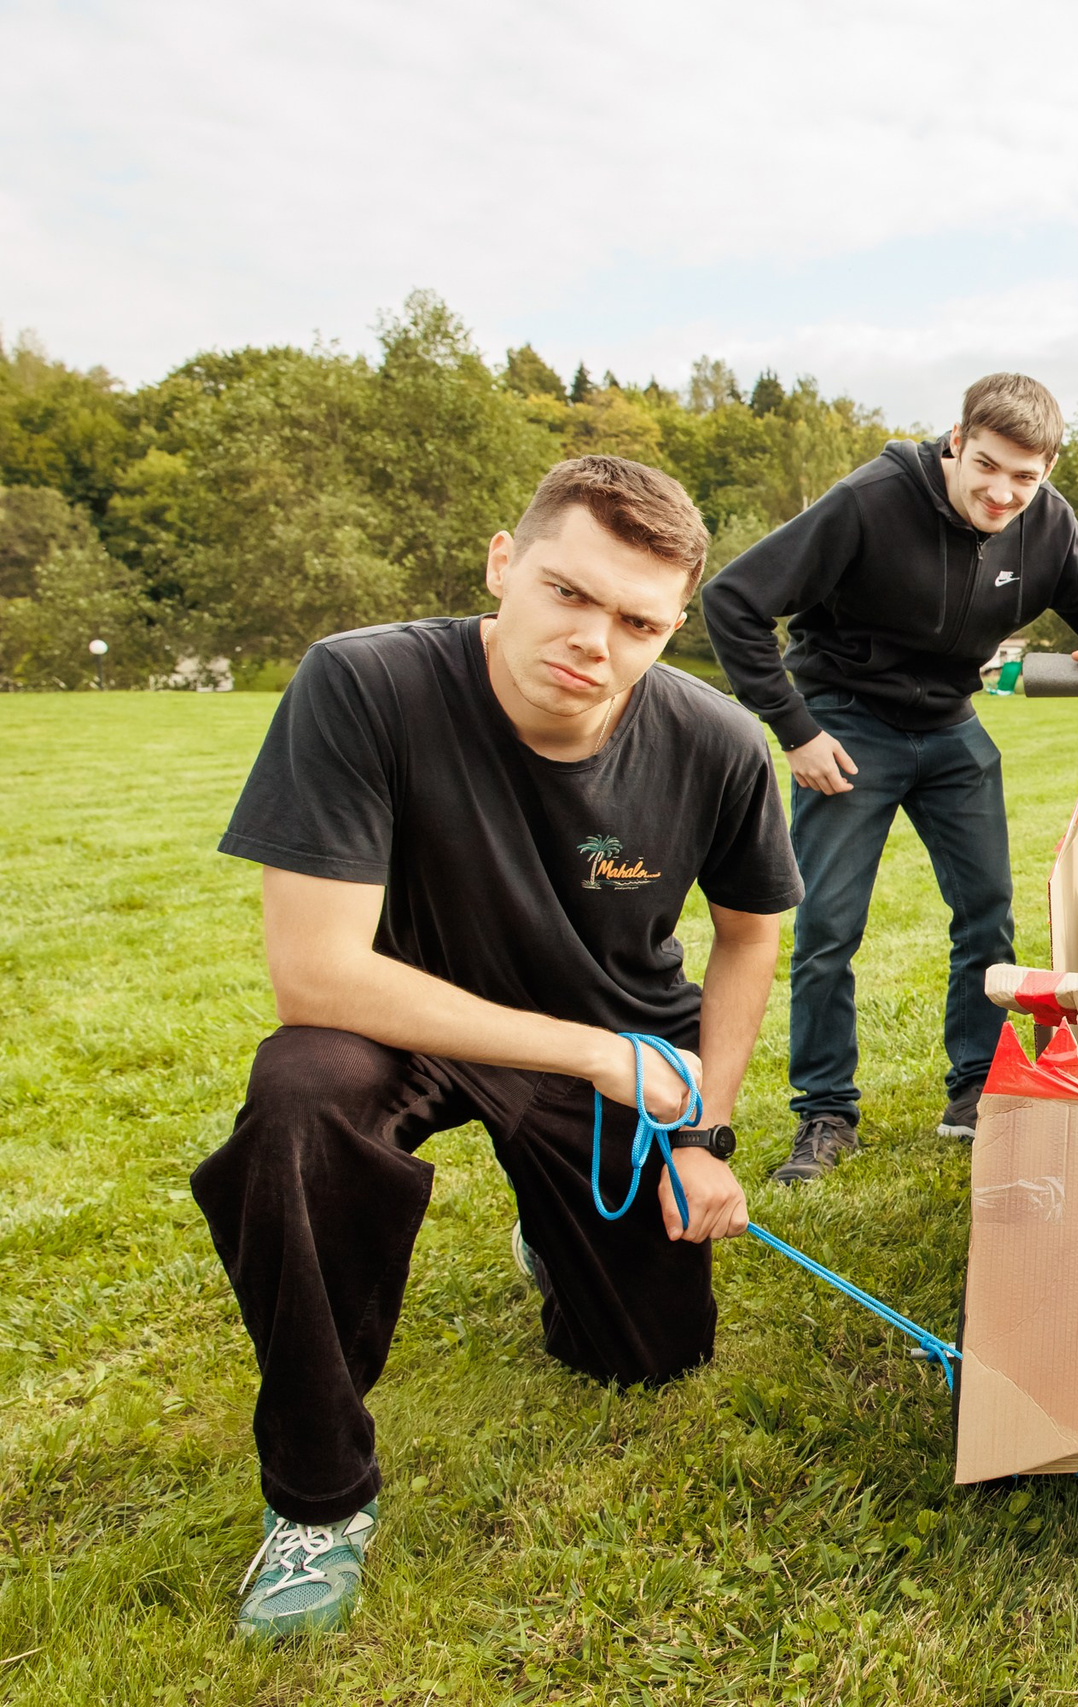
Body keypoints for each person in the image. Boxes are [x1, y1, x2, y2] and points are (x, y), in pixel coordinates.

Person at [195, 457, 803, 1639]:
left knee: (647, 1359)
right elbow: (315, 973)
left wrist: (702, 1133)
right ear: (502, 564)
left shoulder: (718, 742)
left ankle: (555, 1221)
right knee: (299, 1098)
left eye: (637, 622)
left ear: (672, 628)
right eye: (569, 594)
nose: (595, 642)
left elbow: (749, 939)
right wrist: (594, 1053)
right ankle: (319, 1502)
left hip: (608, 1049)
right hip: (400, 1026)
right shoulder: (362, 683)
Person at [704, 374, 1078, 1171]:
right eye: (988, 465)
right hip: (846, 724)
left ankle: (978, 1087)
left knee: (988, 913)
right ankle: (825, 1115)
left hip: (950, 728)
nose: (1004, 492)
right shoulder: (870, 500)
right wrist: (797, 730)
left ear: (1047, 470)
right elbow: (733, 601)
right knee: (828, 927)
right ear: (956, 440)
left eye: (1026, 476)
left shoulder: (1046, 522)